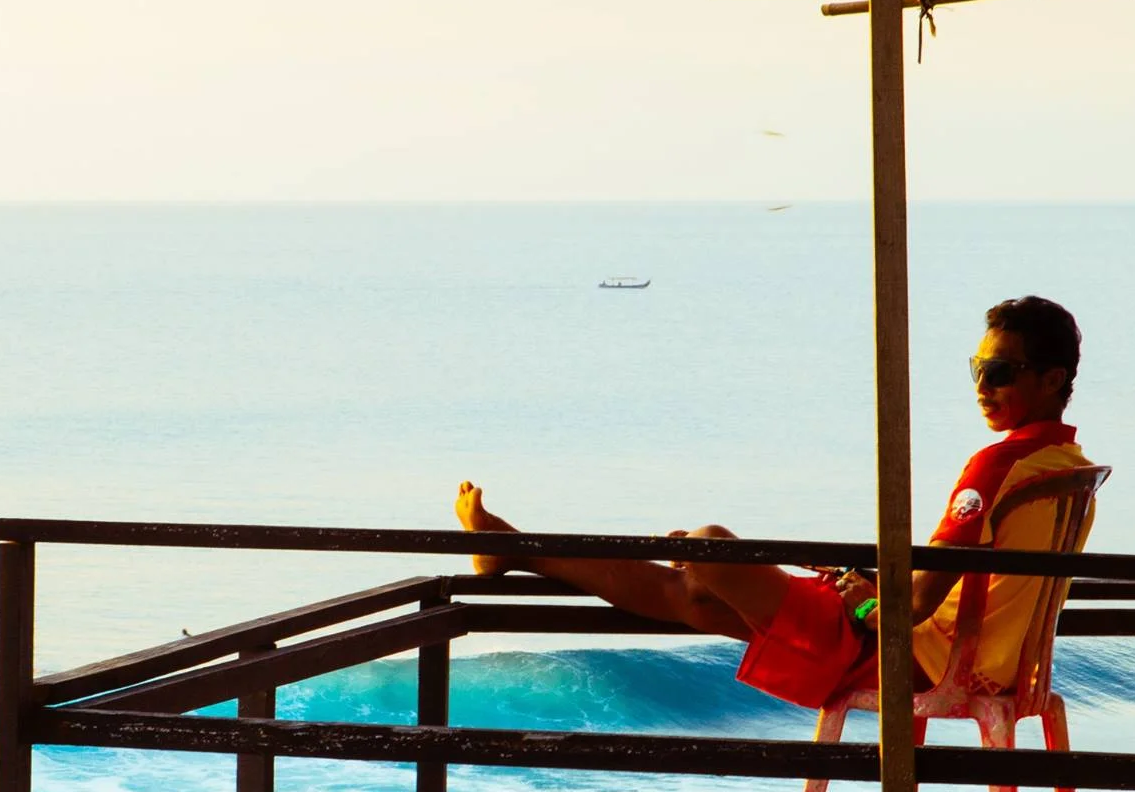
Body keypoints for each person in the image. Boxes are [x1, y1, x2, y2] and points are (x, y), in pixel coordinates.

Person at [454, 296, 1094, 709]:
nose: (984, 385)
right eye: (977, 368)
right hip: (990, 666)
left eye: (1001, 372)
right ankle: (514, 547)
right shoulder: (1071, 470)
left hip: (913, 657)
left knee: (707, 545)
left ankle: (514, 545)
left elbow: (913, 606)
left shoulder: (999, 467)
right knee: (697, 595)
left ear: (1051, 380)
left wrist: (865, 599)